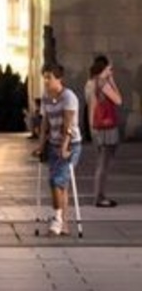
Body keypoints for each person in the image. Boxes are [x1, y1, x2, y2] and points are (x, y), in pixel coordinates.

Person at [36, 64, 81, 236]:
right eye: (45, 77)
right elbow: (45, 122)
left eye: (49, 77)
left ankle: (57, 218)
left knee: (56, 181)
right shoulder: (46, 97)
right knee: (61, 185)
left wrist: (64, 147)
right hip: (54, 143)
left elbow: (68, 126)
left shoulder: (69, 97)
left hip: (71, 144)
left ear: (59, 79)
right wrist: (41, 145)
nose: (46, 81)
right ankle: (65, 224)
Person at [84, 55, 123, 208]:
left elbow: (91, 107)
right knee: (104, 164)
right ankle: (99, 197)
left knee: (101, 162)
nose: (111, 72)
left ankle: (100, 196)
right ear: (103, 69)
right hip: (107, 128)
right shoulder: (103, 83)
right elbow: (119, 100)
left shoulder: (89, 83)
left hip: (96, 127)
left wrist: (91, 128)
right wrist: (112, 82)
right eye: (109, 69)